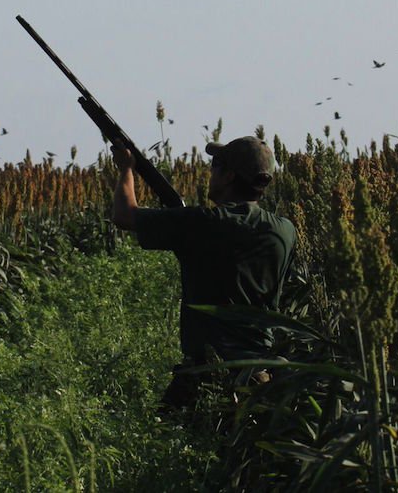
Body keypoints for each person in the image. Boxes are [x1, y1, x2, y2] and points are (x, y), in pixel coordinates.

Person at [109, 135, 297, 412]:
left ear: (229, 175)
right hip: (258, 378)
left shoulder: (205, 223)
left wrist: (126, 168)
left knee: (169, 444)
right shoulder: (285, 229)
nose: (210, 172)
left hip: (206, 375)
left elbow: (124, 215)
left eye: (215, 166)